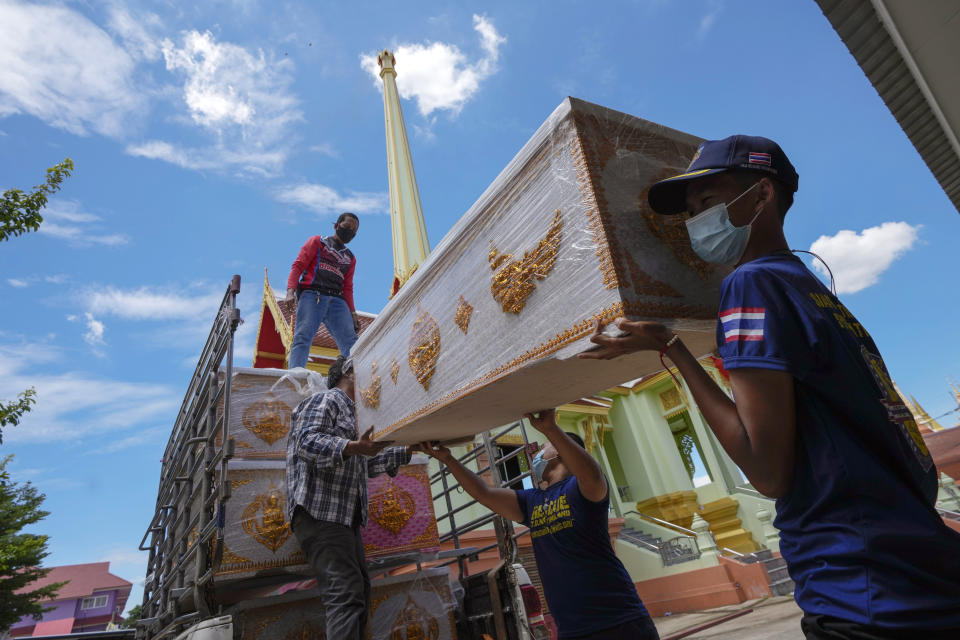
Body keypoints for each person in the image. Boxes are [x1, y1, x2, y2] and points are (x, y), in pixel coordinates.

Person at [581, 135, 960, 638]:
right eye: (691, 210)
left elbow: (766, 473)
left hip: (860, 586)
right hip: (920, 564)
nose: (696, 223)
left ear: (761, 197)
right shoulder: (813, 292)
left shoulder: (750, 285)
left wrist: (670, 348)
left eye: (709, 203)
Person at [421, 409, 659, 640]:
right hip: (572, 630)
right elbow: (484, 493)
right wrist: (448, 459)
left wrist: (551, 429)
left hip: (620, 621)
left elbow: (593, 474)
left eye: (543, 448)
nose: (535, 454)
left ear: (562, 454)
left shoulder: (584, 489)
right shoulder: (531, 500)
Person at [285, 356, 415, 639]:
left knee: (358, 592)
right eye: (368, 370)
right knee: (345, 592)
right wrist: (353, 446)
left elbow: (363, 464)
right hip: (321, 514)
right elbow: (306, 442)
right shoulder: (327, 401)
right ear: (349, 372)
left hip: (342, 518)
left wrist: (409, 450)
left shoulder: (357, 415)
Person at [286, 212, 361, 368]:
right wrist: (290, 291)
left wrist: (353, 313)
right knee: (303, 335)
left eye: (354, 230)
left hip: (338, 301)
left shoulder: (350, 257)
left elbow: (347, 287)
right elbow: (298, 265)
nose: (350, 231)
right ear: (336, 225)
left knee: (352, 342)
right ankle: (295, 375)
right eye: (347, 226)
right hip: (313, 294)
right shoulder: (318, 242)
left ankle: (357, 375)